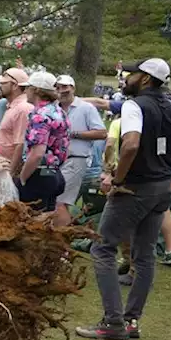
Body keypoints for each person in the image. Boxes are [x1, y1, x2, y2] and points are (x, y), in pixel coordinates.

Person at [76, 59, 171, 340]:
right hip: (162, 188)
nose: (126, 77)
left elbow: (131, 144)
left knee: (102, 249)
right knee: (144, 256)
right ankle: (131, 321)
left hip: (135, 188)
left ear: (145, 79)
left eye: (132, 73)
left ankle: (113, 322)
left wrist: (118, 180)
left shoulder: (135, 106)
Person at [54, 74, 107, 227]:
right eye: (58, 87)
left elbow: (102, 133)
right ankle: (61, 237)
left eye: (65, 87)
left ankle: (62, 242)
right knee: (61, 202)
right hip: (57, 160)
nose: (61, 91)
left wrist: (74, 134)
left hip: (76, 159)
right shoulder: (54, 108)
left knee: (59, 200)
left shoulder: (86, 108)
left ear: (73, 88)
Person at [14, 71, 70, 212]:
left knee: (31, 226)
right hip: (54, 173)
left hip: (38, 177)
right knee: (46, 224)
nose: (25, 91)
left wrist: (22, 178)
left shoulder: (40, 115)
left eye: (28, 88)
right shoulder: (59, 112)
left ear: (37, 90)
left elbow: (37, 154)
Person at [0, 67, 32, 171]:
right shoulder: (12, 106)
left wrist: (11, 172)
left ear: (15, 85)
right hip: (2, 166)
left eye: (4, 83)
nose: (0, 86)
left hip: (9, 169)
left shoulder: (22, 108)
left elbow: (20, 144)